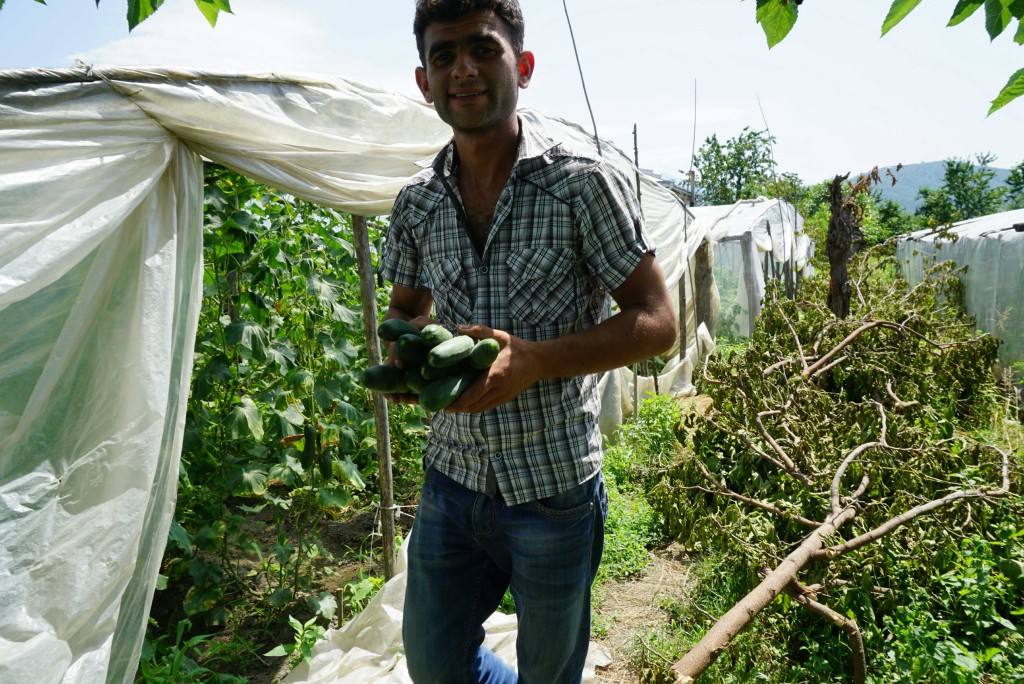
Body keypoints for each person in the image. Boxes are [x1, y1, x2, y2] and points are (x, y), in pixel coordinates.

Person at [378, 1, 677, 681]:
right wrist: (406, 358)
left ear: (524, 65)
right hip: (453, 478)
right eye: (444, 55)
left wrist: (536, 360)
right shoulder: (417, 201)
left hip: (553, 485)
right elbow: (405, 308)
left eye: (484, 50)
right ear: (424, 81)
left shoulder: (580, 183)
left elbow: (657, 321)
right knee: (434, 663)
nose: (463, 70)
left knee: (550, 672)